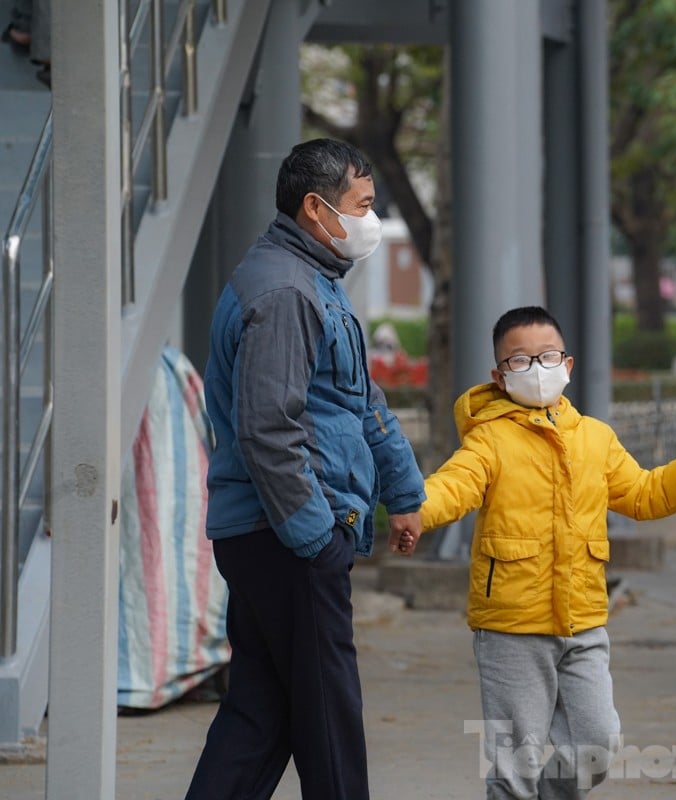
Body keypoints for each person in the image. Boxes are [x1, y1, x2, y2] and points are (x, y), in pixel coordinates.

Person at [395, 306, 676, 799]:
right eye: (520, 360)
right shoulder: (489, 439)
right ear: (498, 374)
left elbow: (641, 494)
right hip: (511, 627)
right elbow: (454, 486)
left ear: (568, 365)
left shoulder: (596, 438)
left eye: (547, 355)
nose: (536, 368)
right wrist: (414, 511)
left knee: (597, 746)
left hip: (583, 621)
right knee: (516, 764)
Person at [187, 138, 426, 800]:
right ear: (318, 209)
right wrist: (316, 537)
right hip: (287, 535)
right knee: (329, 718)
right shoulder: (287, 292)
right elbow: (270, 429)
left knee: (261, 717)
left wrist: (403, 491)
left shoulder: (313, 279)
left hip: (276, 534)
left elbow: (358, 400)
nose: (371, 220)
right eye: (364, 204)